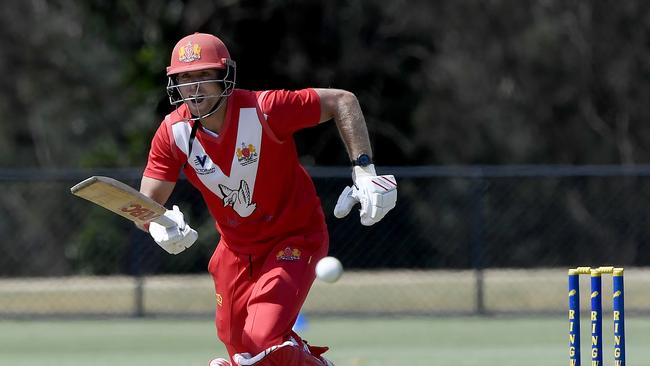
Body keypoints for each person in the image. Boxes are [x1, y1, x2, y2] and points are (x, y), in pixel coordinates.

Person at [139, 32, 397, 366]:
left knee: (260, 343)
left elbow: (342, 101)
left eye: (203, 75)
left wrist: (364, 170)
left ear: (224, 77)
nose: (195, 87)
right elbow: (145, 203)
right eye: (185, 78)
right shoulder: (172, 133)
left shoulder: (265, 110)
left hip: (294, 238)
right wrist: (157, 223)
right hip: (234, 249)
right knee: (242, 352)